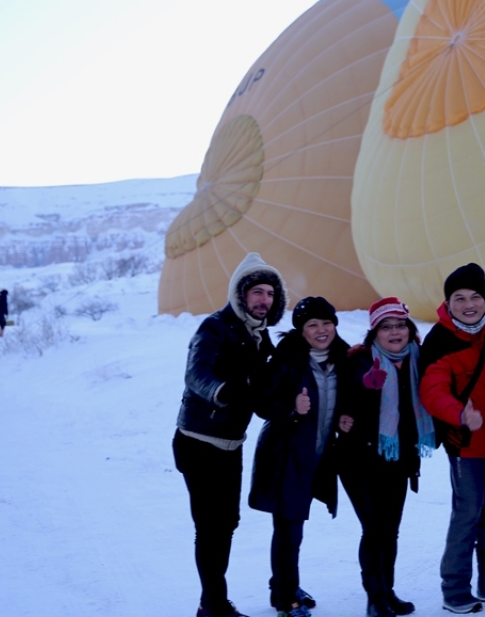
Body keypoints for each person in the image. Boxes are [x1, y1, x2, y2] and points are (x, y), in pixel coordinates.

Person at [173, 253, 286, 617]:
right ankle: (214, 604)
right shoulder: (215, 327)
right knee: (211, 527)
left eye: (270, 293)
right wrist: (223, 391)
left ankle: (212, 602)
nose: (264, 300)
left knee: (226, 524)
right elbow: (197, 373)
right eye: (257, 292)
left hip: (230, 445)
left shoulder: (259, 337)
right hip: (198, 442)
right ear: (240, 294)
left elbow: (264, 393)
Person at [418, 263, 485, 614]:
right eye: (459, 298)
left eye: (475, 296)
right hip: (466, 443)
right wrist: (460, 414)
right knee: (468, 514)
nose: (468, 304)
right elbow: (432, 390)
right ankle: (455, 588)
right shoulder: (439, 341)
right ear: (448, 302)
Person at [338, 297, 436, 617]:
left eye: (400, 325)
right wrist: (366, 386)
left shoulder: (418, 359)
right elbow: (346, 395)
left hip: (399, 459)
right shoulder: (360, 359)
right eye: (386, 327)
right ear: (374, 332)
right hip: (360, 459)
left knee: (390, 529)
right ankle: (375, 597)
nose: (395, 332)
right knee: (374, 527)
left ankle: (387, 591)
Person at [249, 297, 348, 617]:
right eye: (312, 325)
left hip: (316, 456)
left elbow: (347, 397)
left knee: (293, 528)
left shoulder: (342, 356)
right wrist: (291, 407)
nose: (321, 330)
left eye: (327, 323)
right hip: (285, 456)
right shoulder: (287, 358)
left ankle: (283, 584)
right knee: (289, 530)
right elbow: (262, 402)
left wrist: (345, 416)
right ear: (301, 330)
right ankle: (285, 599)